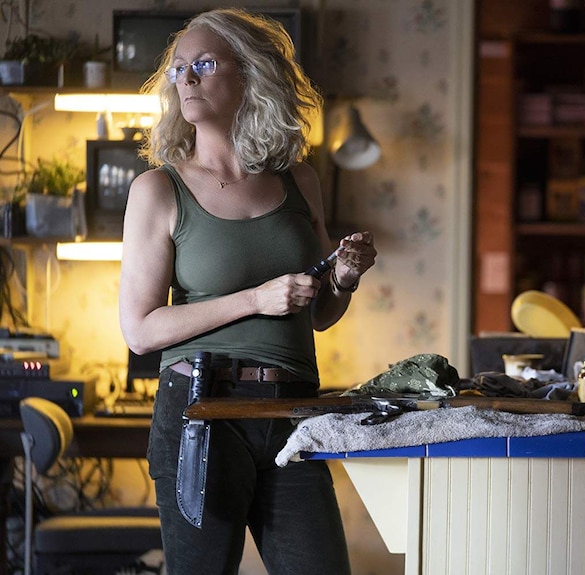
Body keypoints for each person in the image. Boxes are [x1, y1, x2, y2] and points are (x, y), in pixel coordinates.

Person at [118, 8, 376, 574]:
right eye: (178, 68)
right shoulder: (158, 189)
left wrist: (346, 277)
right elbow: (140, 330)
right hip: (201, 411)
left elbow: (321, 313)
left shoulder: (298, 179)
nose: (186, 78)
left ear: (249, 74)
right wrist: (255, 300)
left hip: (291, 411)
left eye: (203, 64)